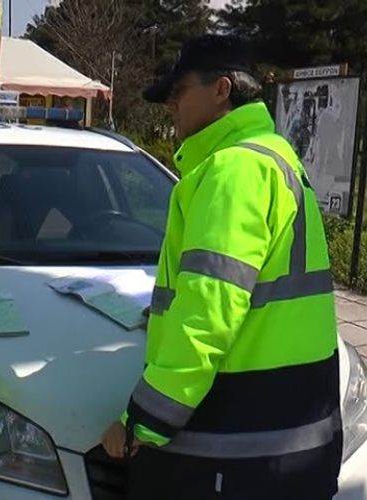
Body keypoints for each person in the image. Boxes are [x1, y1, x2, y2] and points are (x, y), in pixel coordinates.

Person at [101, 35, 341, 500]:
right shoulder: (275, 156)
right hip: (291, 441)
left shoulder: (232, 170)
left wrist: (142, 423)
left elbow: (207, 314)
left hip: (234, 453)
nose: (170, 104)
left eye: (179, 90)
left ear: (221, 89)